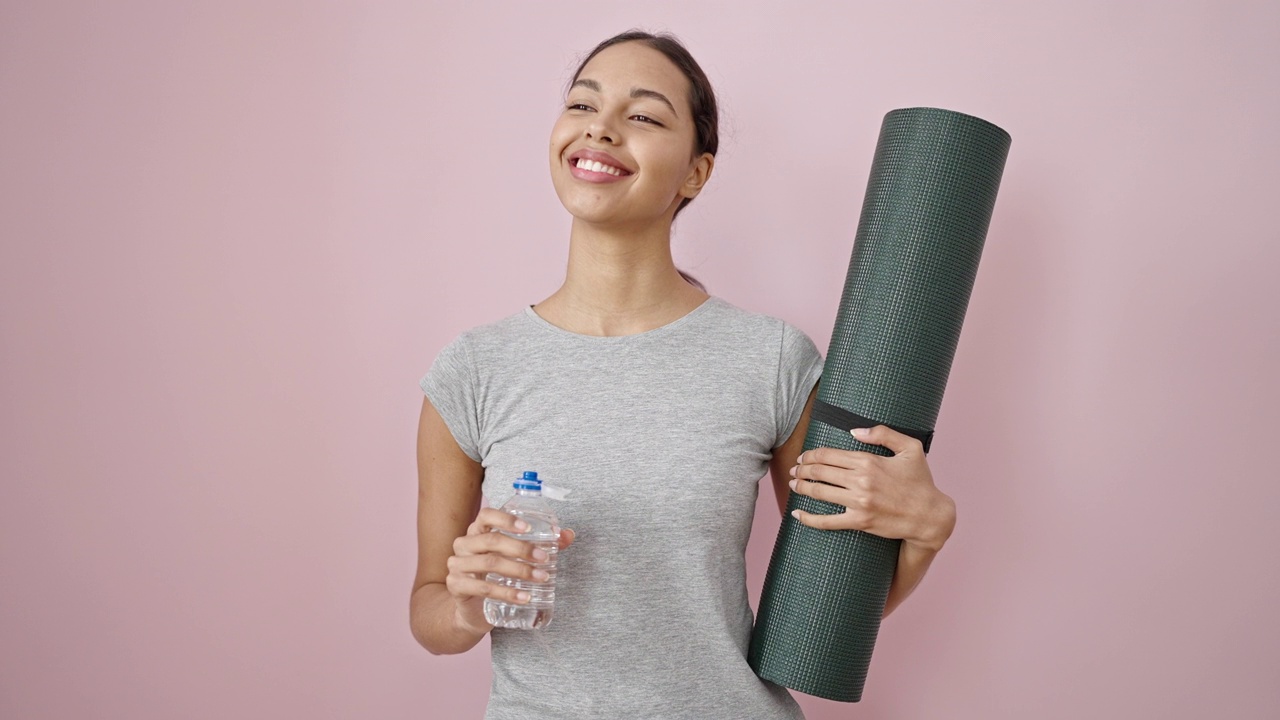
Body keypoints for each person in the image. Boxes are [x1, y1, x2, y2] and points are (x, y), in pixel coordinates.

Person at [411, 30, 957, 719]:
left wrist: (924, 534)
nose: (601, 129)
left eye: (641, 116)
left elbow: (835, 605)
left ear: (696, 173)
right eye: (583, 105)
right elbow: (429, 607)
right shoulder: (474, 369)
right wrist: (466, 605)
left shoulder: (771, 360)